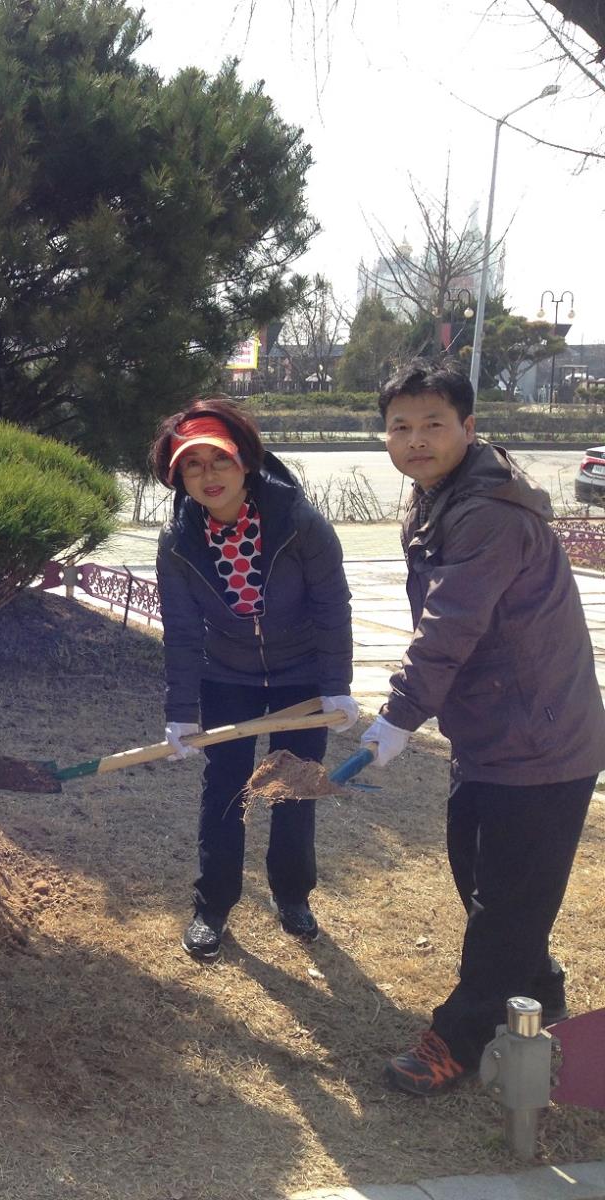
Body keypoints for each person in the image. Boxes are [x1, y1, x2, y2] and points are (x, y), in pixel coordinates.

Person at [360, 359, 605, 1096]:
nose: (417, 439)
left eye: (434, 423)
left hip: (541, 739)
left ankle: (459, 1039)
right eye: (400, 427)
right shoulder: (439, 497)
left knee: (502, 901)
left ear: (470, 428)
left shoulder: (488, 512)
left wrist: (400, 713)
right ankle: (540, 984)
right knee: (480, 874)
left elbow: (451, 623)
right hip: (493, 731)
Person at [151, 399, 356, 962]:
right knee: (225, 790)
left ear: (244, 462)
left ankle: (292, 895)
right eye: (193, 466)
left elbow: (331, 604)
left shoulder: (297, 521)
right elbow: (184, 632)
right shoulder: (177, 544)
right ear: (178, 476)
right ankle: (212, 904)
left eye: (219, 460)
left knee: (293, 787)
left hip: (301, 676)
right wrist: (181, 711)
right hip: (228, 678)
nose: (209, 476)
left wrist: (336, 684)